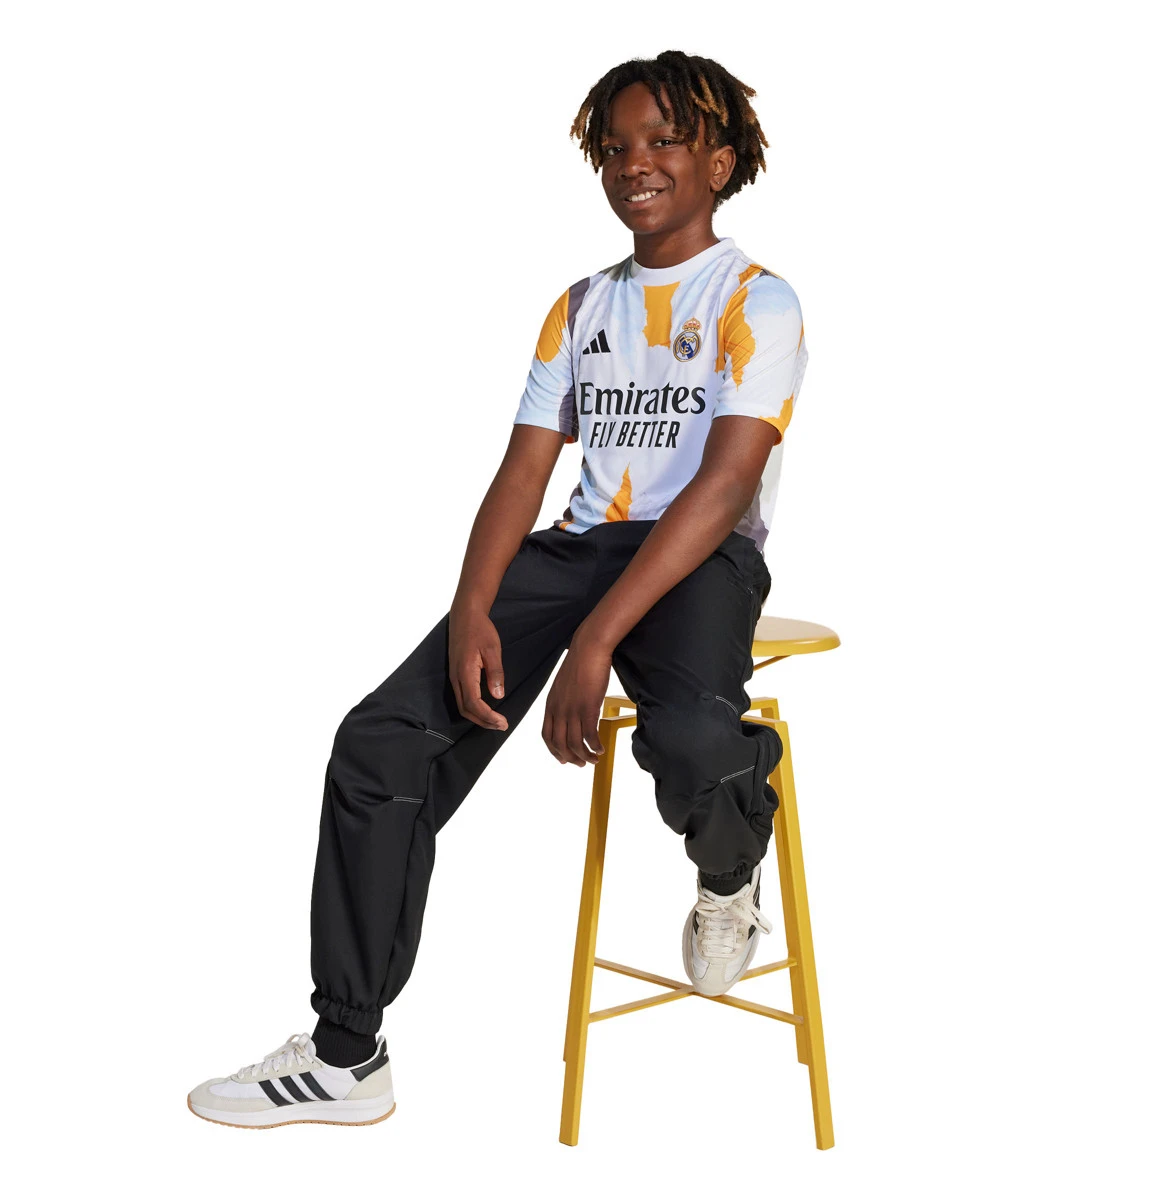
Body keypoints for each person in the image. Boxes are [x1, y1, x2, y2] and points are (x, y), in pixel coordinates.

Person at [187, 48, 808, 1129]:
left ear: (718, 161)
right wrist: (478, 607)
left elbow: (723, 486)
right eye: (616, 147)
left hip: (698, 553)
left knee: (697, 742)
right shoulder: (581, 306)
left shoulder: (760, 300)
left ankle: (727, 879)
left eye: (664, 140)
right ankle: (346, 1058)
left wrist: (595, 642)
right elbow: (524, 472)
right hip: (579, 549)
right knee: (380, 743)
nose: (636, 163)